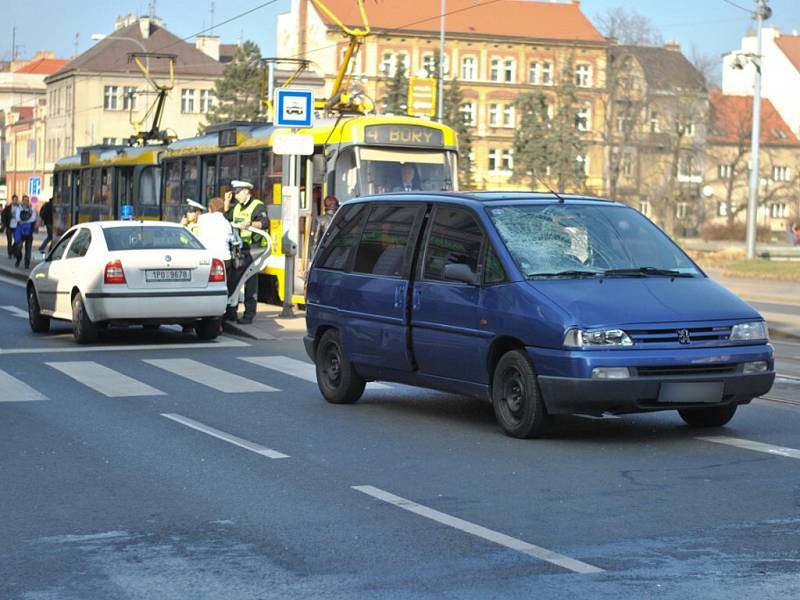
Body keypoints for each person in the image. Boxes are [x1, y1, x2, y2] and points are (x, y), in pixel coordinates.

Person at [227, 180, 268, 324]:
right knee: (235, 279)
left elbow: (264, 223)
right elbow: (227, 219)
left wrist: (249, 224)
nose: (236, 196)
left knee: (250, 281)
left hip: (254, 248)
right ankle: (231, 312)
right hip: (241, 248)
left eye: (238, 193)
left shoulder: (258, 205)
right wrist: (226, 204)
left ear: (246, 192)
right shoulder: (237, 207)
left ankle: (249, 314)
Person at [196, 197, 238, 320]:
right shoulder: (226, 223)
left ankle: (207, 314)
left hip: (208, 261)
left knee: (207, 288)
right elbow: (232, 240)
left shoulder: (202, 219)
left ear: (210, 208)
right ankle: (225, 315)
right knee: (224, 288)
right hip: (225, 259)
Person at [13, 195, 37, 269]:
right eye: (24, 200)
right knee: (18, 247)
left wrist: (24, 221)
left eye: (27, 200)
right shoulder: (19, 208)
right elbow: (17, 218)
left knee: (28, 249)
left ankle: (27, 264)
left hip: (29, 232)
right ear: (22, 201)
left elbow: (33, 218)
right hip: (20, 231)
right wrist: (25, 220)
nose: (26, 201)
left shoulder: (31, 208)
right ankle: (18, 258)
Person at [2, 194, 19, 258]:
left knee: (17, 240)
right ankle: (10, 254)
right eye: (14, 200)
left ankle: (14, 252)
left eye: (16, 200)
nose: (15, 201)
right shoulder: (8, 208)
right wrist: (4, 224)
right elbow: (3, 215)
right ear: (12, 200)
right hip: (9, 226)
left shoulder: (19, 207)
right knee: (9, 241)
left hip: (17, 226)